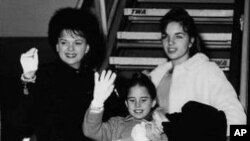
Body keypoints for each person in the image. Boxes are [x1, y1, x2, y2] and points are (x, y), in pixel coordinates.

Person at [19, 7, 125, 141]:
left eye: (78, 43)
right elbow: (25, 120)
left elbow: (112, 122)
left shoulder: (94, 80)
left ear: (87, 48)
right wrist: (27, 78)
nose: (70, 48)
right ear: (57, 45)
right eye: (64, 42)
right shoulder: (43, 75)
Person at [148, 7, 246, 136]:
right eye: (165, 36)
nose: (170, 42)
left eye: (178, 36)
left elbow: (238, 119)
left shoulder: (207, 71)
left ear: (191, 41)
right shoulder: (156, 74)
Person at [83, 71, 168, 141]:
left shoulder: (160, 126)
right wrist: (97, 102)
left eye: (143, 100)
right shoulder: (116, 125)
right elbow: (90, 131)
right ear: (126, 103)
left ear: (153, 102)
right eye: (132, 100)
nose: (137, 104)